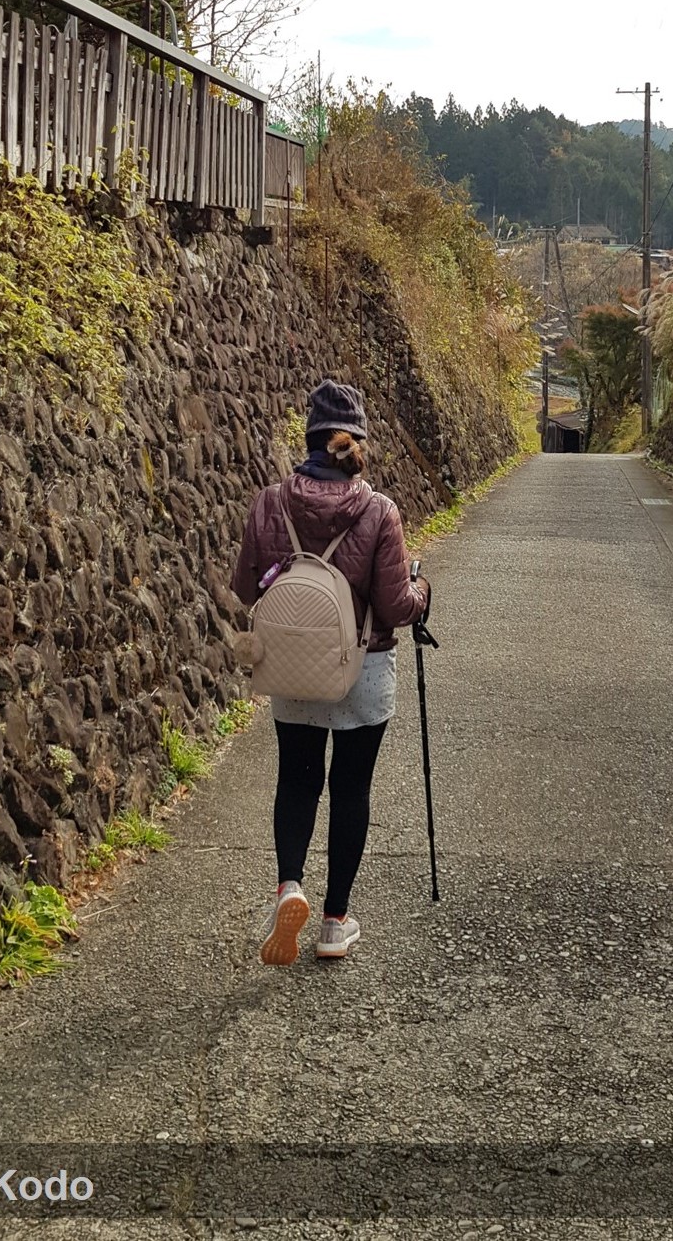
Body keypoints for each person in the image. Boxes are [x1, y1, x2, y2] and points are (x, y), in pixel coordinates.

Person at [231, 380, 429, 965]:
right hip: (361, 669)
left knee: (296, 780)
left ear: (309, 438)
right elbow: (395, 607)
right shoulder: (378, 511)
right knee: (350, 789)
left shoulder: (271, 502)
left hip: (293, 667)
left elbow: (246, 588)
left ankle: (289, 885)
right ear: (357, 443)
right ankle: (334, 924)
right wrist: (421, 590)